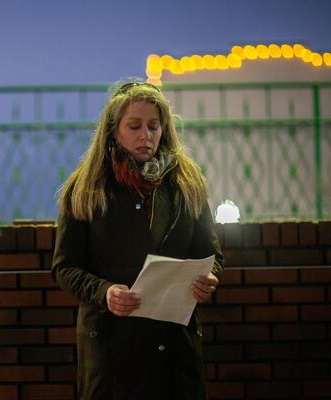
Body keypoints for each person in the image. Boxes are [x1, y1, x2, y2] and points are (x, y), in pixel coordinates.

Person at [51, 79, 224, 400]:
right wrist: (105, 292)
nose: (146, 136)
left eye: (154, 127)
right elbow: (65, 267)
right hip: (112, 348)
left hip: (174, 348)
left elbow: (210, 253)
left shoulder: (186, 184)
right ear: (113, 130)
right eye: (134, 126)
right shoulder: (87, 187)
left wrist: (209, 280)